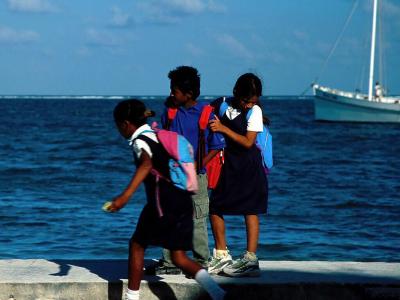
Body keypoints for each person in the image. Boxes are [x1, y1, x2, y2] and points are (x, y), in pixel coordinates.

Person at [105, 99, 226, 300]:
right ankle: (218, 293)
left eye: (118, 126)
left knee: (137, 245)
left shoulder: (139, 141)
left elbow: (146, 164)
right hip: (183, 199)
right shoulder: (157, 134)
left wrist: (124, 196)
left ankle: (131, 297)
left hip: (162, 202)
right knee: (178, 257)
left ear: (125, 124)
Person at [156, 66, 226, 274]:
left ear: (188, 94)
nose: (171, 94)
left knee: (197, 218)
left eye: (174, 90)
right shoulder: (169, 112)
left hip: (197, 175)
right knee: (169, 217)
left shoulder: (206, 114)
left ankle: (200, 260)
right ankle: (169, 262)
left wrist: (199, 164)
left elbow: (217, 145)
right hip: (171, 174)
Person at [207, 73, 268, 277]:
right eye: (246, 101)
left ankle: (250, 258)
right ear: (236, 93)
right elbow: (204, 116)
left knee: (250, 209)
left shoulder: (255, 112)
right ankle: (222, 253)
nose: (249, 105)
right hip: (228, 165)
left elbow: (248, 142)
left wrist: (223, 129)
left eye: (253, 101)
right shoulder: (222, 104)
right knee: (214, 206)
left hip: (249, 167)